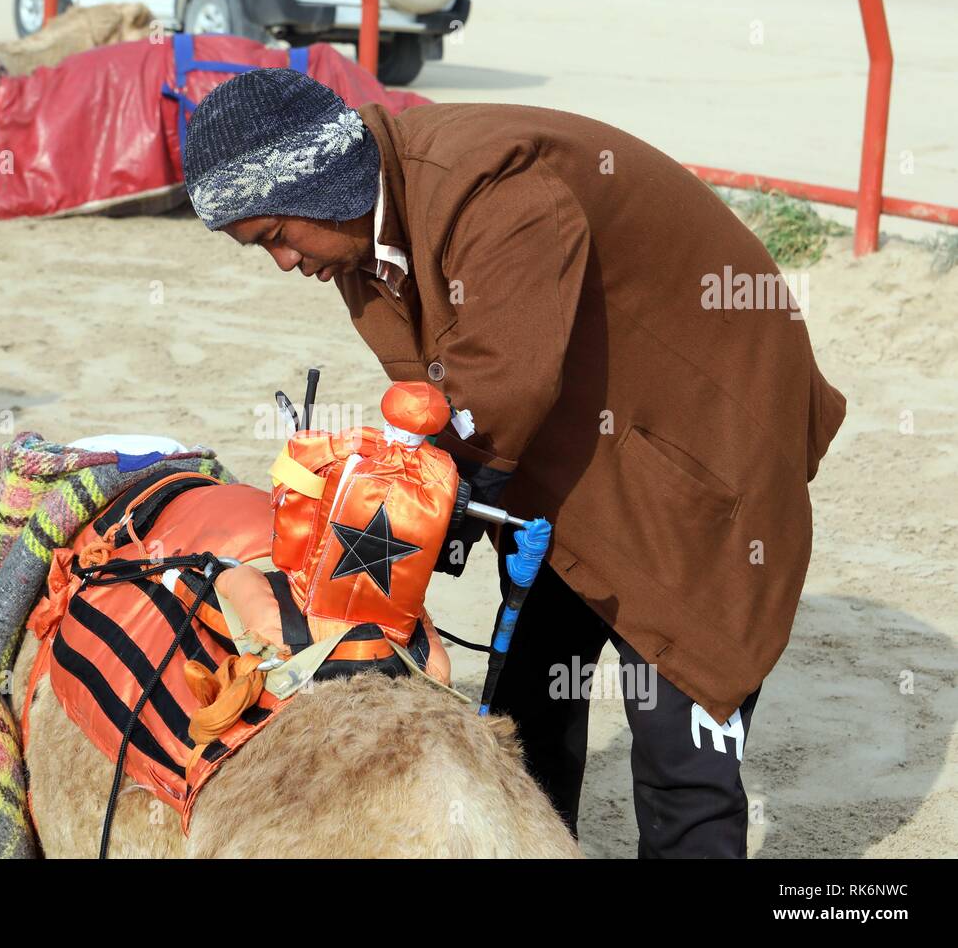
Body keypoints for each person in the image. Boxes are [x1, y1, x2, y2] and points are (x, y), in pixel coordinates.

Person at [180, 68, 845, 858]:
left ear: (324, 182)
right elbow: (447, 392)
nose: (286, 262)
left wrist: (396, 508)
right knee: (525, 706)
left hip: (699, 447)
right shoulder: (361, 240)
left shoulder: (491, 186)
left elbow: (500, 381)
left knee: (682, 738)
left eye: (277, 235)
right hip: (574, 442)